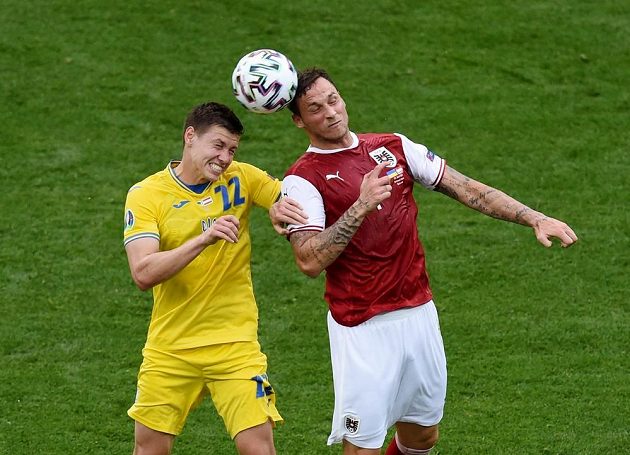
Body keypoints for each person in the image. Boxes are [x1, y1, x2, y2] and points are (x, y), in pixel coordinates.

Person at [281, 68, 578, 455]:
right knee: (362, 447)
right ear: (299, 121)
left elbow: (469, 189)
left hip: (419, 312)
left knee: (422, 437)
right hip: (362, 326)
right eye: (316, 109)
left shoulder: (394, 146)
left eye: (333, 99)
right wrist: (361, 205)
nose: (331, 113)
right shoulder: (302, 179)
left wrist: (533, 217)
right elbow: (308, 260)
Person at [123, 101, 307, 455]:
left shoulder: (242, 177)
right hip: (171, 349)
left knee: (260, 449)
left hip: (234, 346)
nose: (225, 158)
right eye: (219, 145)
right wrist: (204, 239)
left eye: (232, 149)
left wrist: (282, 209)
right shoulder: (146, 195)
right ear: (190, 137)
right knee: (149, 450)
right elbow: (142, 273)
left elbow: (292, 198)